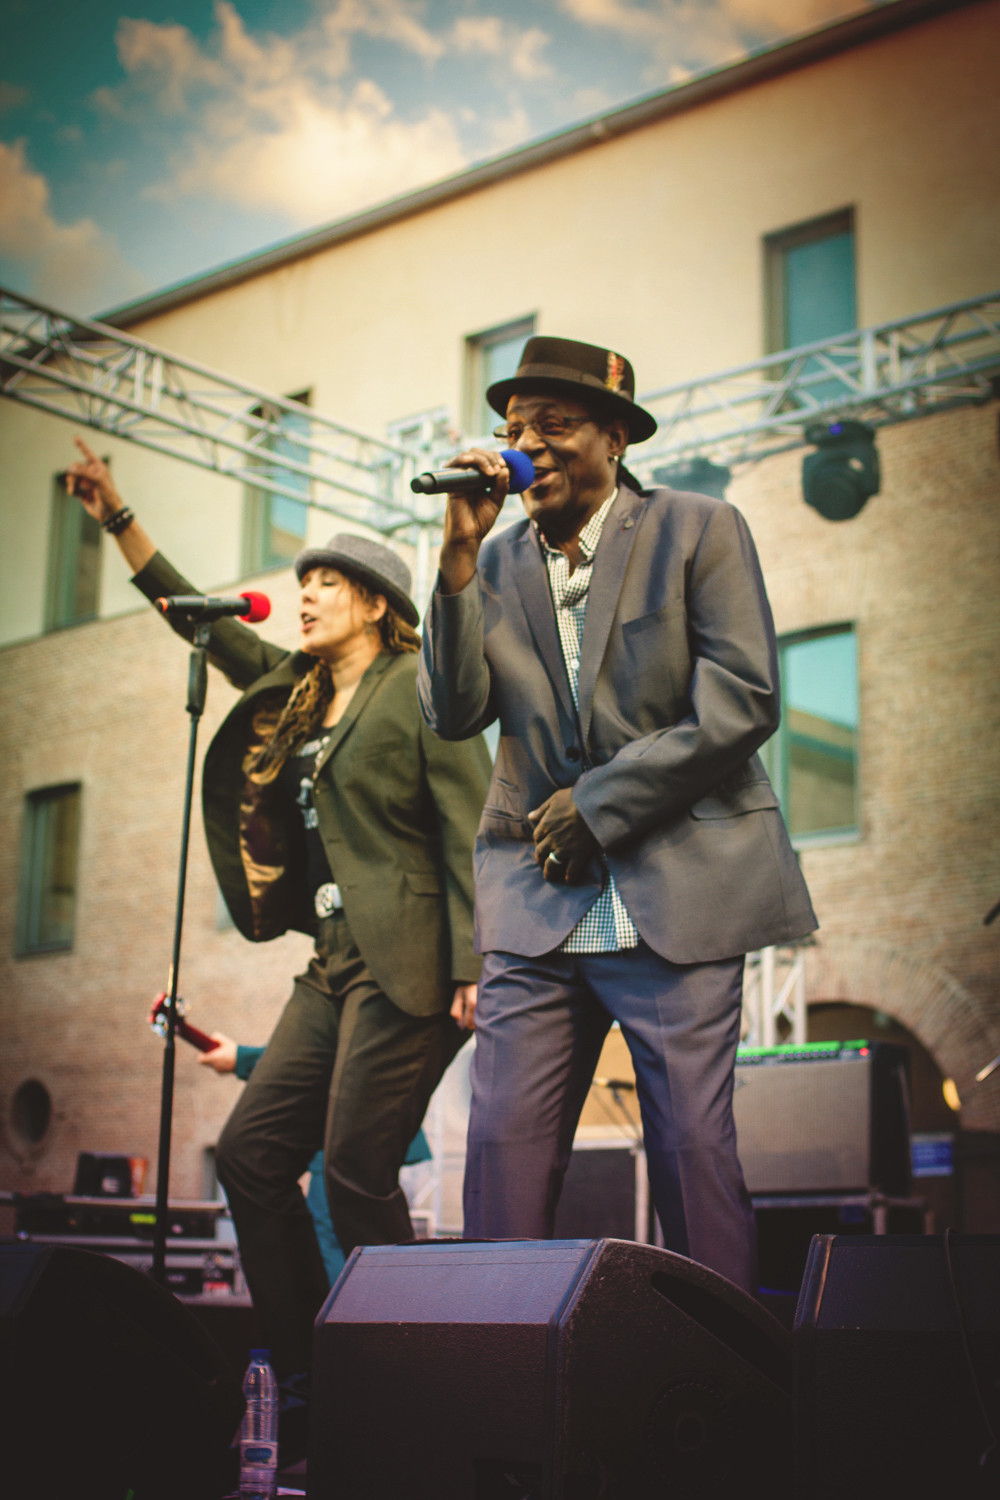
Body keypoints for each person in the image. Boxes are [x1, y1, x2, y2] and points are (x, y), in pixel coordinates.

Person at [65, 437, 489, 1392]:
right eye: (303, 582)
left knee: (355, 1168)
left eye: (328, 583)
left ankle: (407, 1379)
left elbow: (471, 820)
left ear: (378, 605)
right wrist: (117, 515)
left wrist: (478, 957)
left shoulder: (419, 692)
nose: (305, 594)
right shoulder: (292, 690)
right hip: (333, 959)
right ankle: (308, 1375)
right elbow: (196, 623)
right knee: (253, 1158)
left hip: (412, 957)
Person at [417, 336, 817, 1294]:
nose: (529, 444)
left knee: (693, 1160)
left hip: (676, 894)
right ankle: (503, 1382)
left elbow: (742, 699)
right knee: (502, 1163)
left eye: (555, 424)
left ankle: (725, 1391)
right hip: (532, 910)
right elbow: (452, 709)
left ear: (615, 436)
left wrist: (599, 804)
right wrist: (459, 556)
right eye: (516, 428)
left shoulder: (697, 528)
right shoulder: (495, 559)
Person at [198, 1034, 432, 1284]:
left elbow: (325, 1053)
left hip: (349, 1130)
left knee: (339, 1245)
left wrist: (242, 1058)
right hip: (362, 1130)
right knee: (358, 1244)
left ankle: (345, 1319)